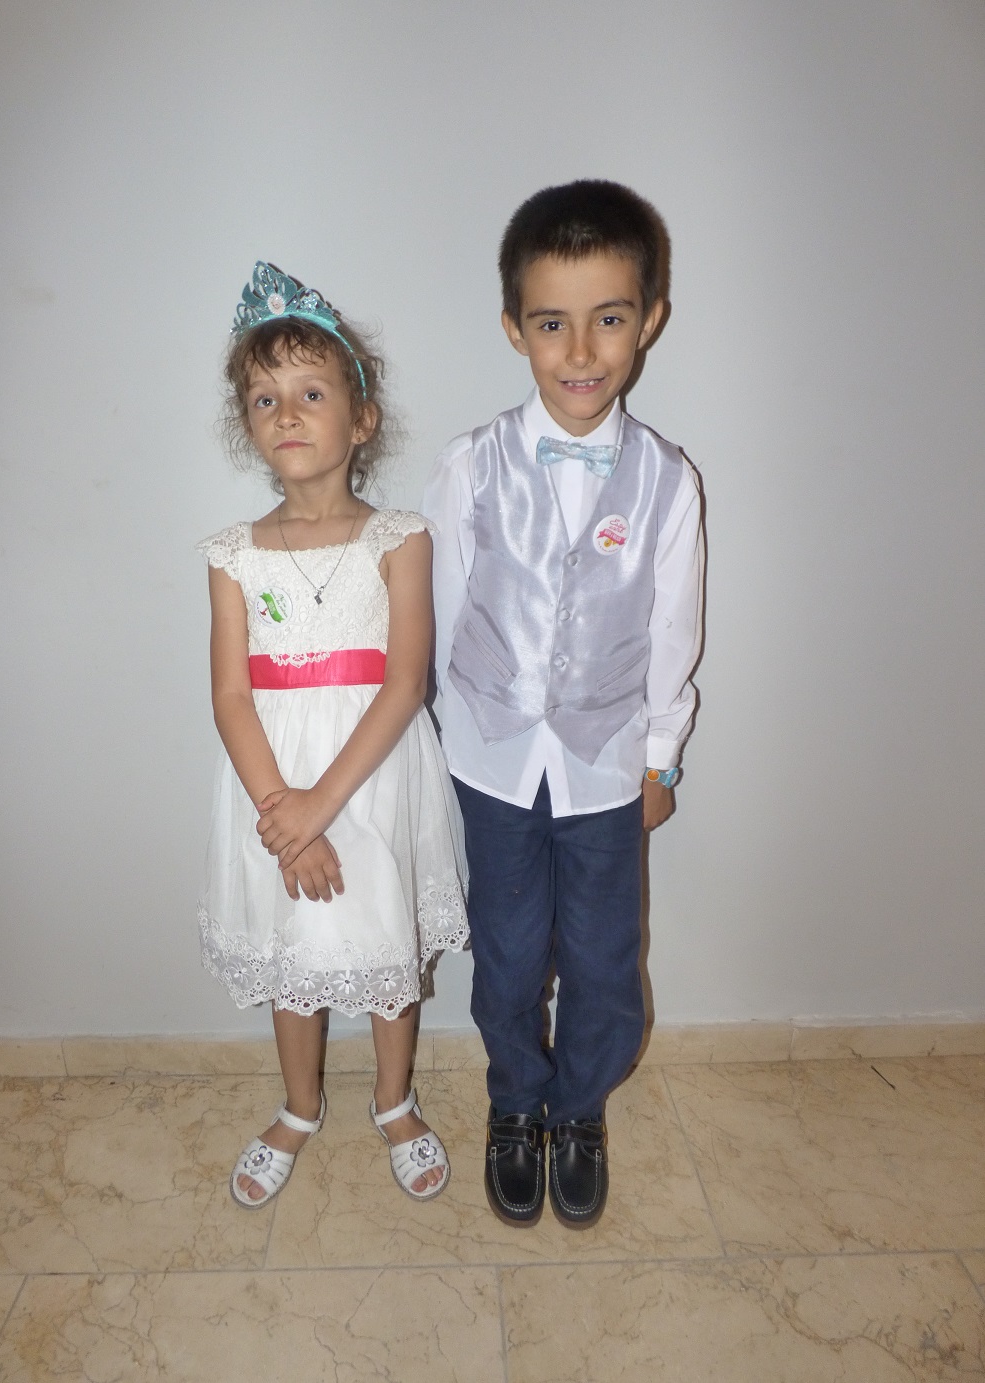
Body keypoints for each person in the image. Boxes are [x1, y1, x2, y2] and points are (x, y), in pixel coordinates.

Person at [422, 181, 704, 1229]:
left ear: (649, 321)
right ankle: (515, 1101)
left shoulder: (668, 481)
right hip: (490, 759)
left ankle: (578, 1107)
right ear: (513, 328)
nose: (580, 349)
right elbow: (438, 617)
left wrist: (660, 758)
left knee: (600, 960)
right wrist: (431, 744)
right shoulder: (469, 465)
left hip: (604, 766)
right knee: (504, 953)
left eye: (609, 317)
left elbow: (674, 631)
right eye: (551, 323)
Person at [198, 263, 468, 1209]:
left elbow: (404, 684)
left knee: (388, 942)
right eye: (264, 398)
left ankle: (394, 1101)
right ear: (247, 423)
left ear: (360, 419)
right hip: (273, 782)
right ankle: (300, 1105)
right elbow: (231, 695)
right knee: (293, 951)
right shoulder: (232, 554)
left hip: (374, 773)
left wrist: (323, 805)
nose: (286, 413)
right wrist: (286, 814)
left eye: (311, 393)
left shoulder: (401, 539)